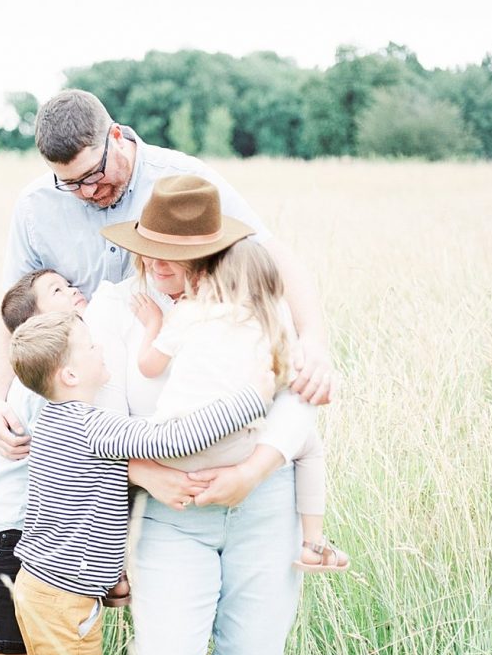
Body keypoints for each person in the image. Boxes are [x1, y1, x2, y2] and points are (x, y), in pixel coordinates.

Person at [84, 174, 327, 655]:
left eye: (183, 253)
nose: (162, 263)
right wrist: (144, 471)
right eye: (153, 247)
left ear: (214, 250)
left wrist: (254, 470)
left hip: (262, 503)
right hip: (172, 514)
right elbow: (89, 422)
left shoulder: (252, 304)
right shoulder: (113, 312)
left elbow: (300, 405)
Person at [0, 89, 336, 487]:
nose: (86, 191)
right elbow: (10, 308)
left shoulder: (183, 181)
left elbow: (270, 255)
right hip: (82, 412)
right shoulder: (34, 207)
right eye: (70, 184)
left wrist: (313, 341)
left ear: (116, 136)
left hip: (173, 406)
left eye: (93, 175)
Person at [7, 310, 277, 655]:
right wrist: (252, 398)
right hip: (64, 603)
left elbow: (70, 514)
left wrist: (105, 578)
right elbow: (173, 439)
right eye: (89, 347)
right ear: (68, 375)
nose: (100, 350)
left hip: (41, 588)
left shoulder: (51, 425)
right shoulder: (91, 426)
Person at [131, 235, 349, 573]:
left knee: (108, 448)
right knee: (309, 447)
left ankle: (115, 567)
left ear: (205, 276)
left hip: (168, 449)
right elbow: (292, 385)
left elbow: (148, 367)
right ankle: (313, 542)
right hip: (234, 451)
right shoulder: (270, 325)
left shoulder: (188, 312)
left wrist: (153, 325)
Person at [0, 268, 90, 655]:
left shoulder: (70, 371)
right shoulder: (44, 383)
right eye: (57, 291)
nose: (73, 291)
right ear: (33, 326)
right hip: (6, 531)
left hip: (41, 532)